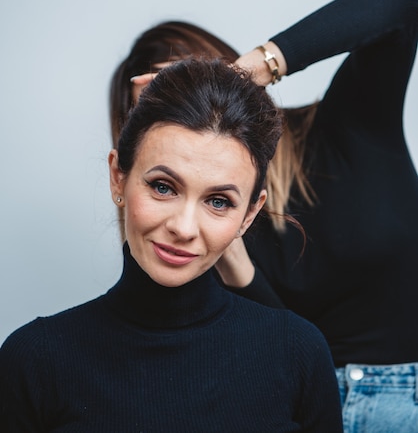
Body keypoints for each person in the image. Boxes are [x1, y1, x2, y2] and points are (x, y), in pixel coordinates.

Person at [109, 0, 418, 433]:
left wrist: (241, 79)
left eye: (187, 86)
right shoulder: (196, 231)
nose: (184, 111)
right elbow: (281, 343)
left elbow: (400, 3)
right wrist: (228, 249)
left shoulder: (347, 126)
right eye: (160, 109)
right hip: (295, 409)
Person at [0, 58, 343, 432]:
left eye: (218, 201)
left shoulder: (298, 353)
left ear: (248, 214)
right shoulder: (34, 360)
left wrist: (263, 62)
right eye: (163, 187)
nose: (183, 228)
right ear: (118, 177)